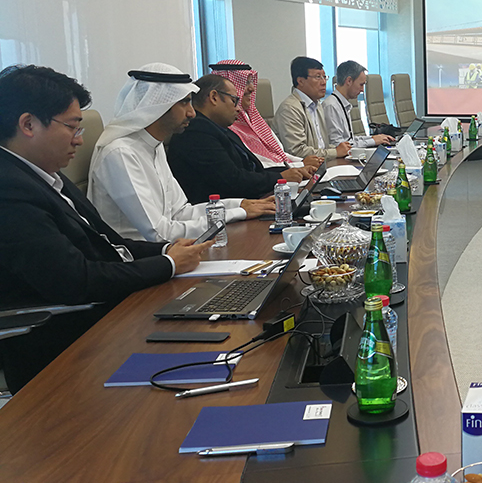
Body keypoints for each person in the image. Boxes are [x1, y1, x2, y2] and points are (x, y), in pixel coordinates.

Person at [0, 65, 209, 392]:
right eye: (72, 127)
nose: (80, 139)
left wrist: (166, 250)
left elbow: (109, 242)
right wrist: (167, 264)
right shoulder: (8, 191)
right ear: (28, 124)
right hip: (63, 340)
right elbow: (75, 280)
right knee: (200, 354)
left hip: (105, 313)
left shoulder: (46, 174)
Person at [88, 65, 275, 242]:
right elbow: (159, 234)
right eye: (184, 103)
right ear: (159, 105)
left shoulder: (154, 146)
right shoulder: (120, 153)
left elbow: (181, 212)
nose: (192, 113)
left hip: (172, 251)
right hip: (140, 259)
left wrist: (241, 205)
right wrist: (238, 213)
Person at [168, 74, 312, 203]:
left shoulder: (219, 129)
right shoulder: (196, 132)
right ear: (214, 97)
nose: (238, 108)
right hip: (224, 212)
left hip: (248, 202)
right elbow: (232, 181)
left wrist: (294, 171)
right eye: (234, 101)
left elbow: (253, 171)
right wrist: (280, 177)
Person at [210, 60, 322, 171]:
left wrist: (303, 162)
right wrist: (300, 165)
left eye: (251, 82)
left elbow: (280, 154)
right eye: (245, 83)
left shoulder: (252, 117)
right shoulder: (225, 125)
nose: (252, 88)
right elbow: (256, 164)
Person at [274, 56, 349, 160]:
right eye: (318, 77)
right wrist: (335, 152)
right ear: (300, 81)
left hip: (322, 163)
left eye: (324, 77)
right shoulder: (289, 109)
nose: (323, 82)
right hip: (302, 167)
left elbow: (323, 146)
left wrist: (343, 149)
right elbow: (297, 151)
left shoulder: (317, 105)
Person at [321, 60, 395, 151]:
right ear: (349, 81)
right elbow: (338, 145)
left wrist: (373, 138)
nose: (362, 90)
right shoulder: (331, 106)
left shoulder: (341, 104)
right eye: (361, 85)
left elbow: (349, 139)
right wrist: (373, 141)